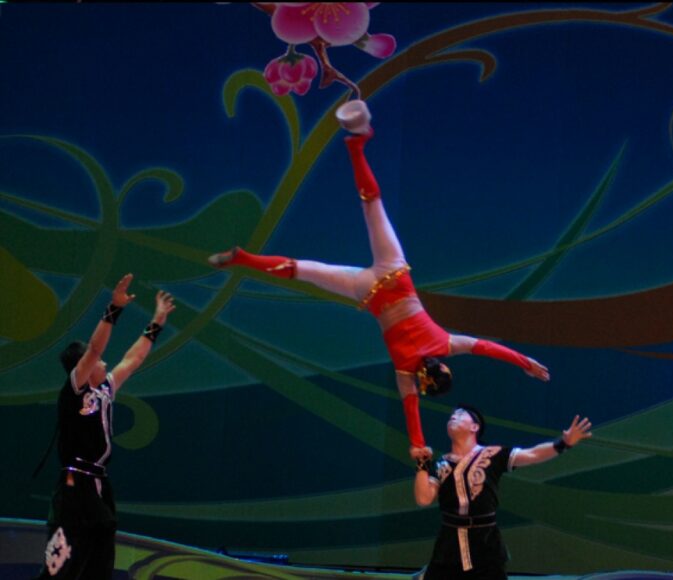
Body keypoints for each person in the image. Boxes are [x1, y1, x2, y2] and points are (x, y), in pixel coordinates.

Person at [207, 100, 549, 460]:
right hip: (369, 290)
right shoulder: (407, 372)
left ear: (442, 368)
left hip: (390, 274)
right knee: (304, 269)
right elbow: (412, 409)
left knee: (370, 206)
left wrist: (524, 362)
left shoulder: (445, 345)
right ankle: (244, 259)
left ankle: (356, 147)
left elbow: (486, 348)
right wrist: (416, 443)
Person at [37, 274, 175, 579]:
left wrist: (157, 322)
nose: (104, 363)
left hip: (98, 483)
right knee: (62, 560)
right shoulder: (75, 389)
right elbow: (95, 350)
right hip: (75, 485)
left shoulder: (105, 390)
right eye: (98, 361)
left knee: (100, 552)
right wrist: (114, 308)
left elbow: (134, 358)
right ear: (84, 366)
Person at [413, 405, 592, 579]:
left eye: (461, 414)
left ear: (474, 427)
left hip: (485, 543)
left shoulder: (493, 454)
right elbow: (424, 498)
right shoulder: (441, 463)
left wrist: (563, 443)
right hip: (449, 544)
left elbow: (532, 454)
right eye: (452, 415)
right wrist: (422, 465)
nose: (454, 416)